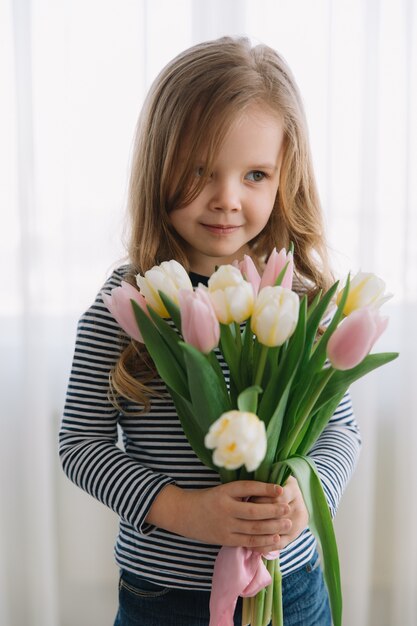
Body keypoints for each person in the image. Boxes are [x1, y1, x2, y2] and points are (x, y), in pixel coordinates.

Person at [59, 36, 361, 626]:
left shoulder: (296, 298)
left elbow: (340, 430)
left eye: (254, 174)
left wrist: (307, 494)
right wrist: (183, 511)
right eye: (200, 170)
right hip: (162, 597)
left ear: (284, 178)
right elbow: (81, 447)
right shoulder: (127, 305)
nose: (227, 199)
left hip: (290, 585)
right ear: (158, 165)